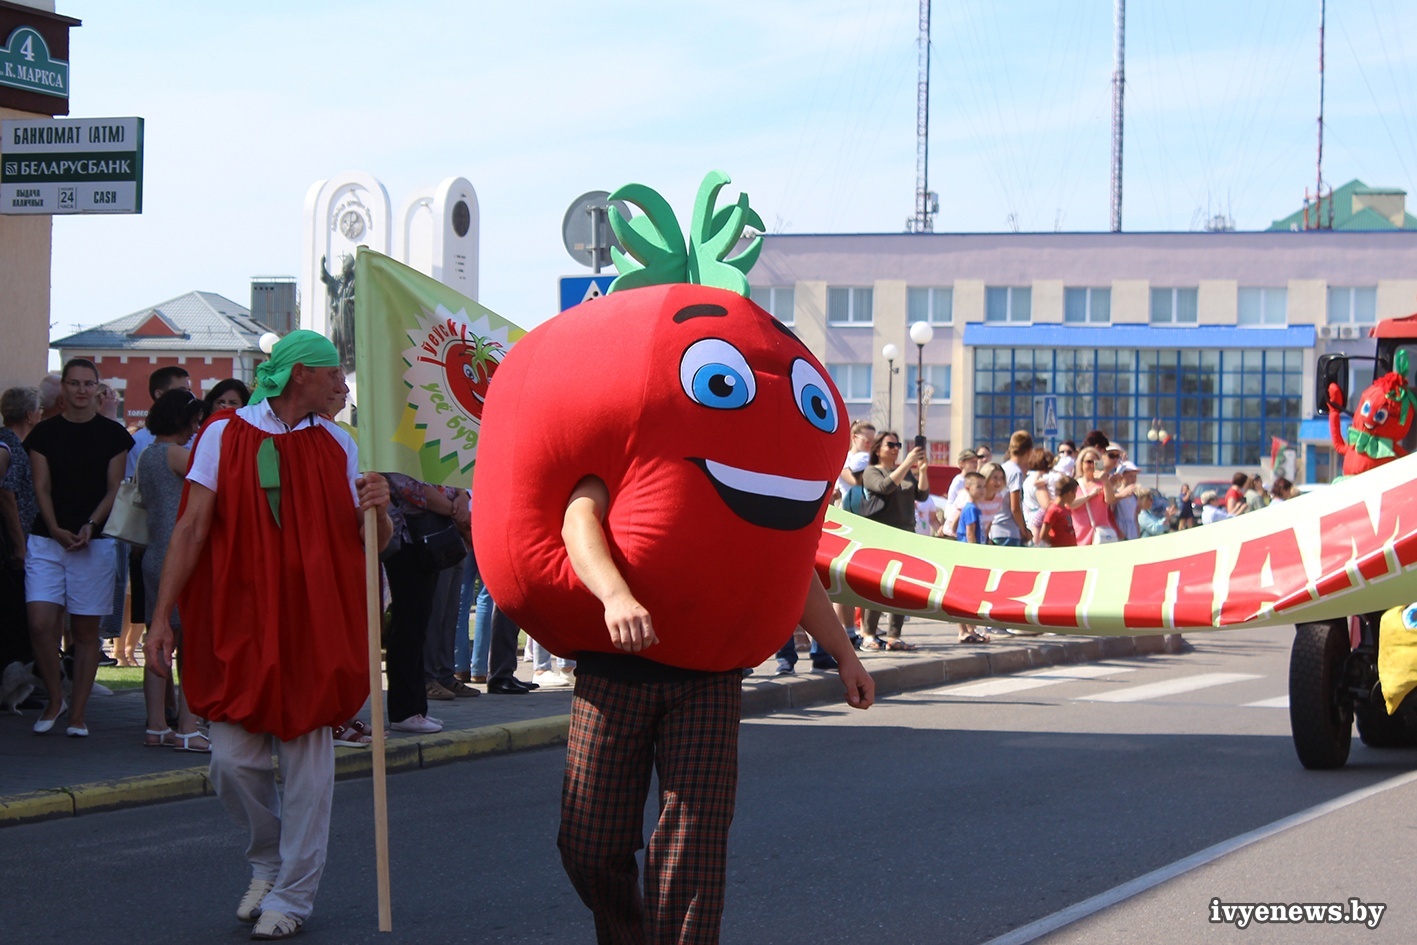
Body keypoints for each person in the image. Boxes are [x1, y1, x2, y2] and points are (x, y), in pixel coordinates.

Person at [145, 330, 392, 940]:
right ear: (298, 375)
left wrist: (381, 510)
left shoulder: (340, 444)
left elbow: (370, 547)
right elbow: (191, 530)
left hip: (314, 622)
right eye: (334, 374)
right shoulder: (223, 434)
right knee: (231, 760)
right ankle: (268, 859)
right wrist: (160, 618)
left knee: (310, 767)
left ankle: (296, 893)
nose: (343, 385)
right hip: (237, 617)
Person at [557, 474, 872, 944]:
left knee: (694, 844)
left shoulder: (747, 466)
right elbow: (578, 518)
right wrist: (615, 595)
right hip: (613, 670)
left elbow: (791, 565)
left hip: (710, 675)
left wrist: (845, 654)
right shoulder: (630, 444)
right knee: (589, 843)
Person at [25, 358, 134, 737]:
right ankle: (56, 698)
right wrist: (54, 527)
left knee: (86, 632)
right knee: (40, 623)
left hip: (95, 542)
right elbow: (41, 486)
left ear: (99, 389)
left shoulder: (114, 435)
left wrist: (90, 525)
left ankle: (78, 713)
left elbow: (114, 488)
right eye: (74, 383)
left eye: (89, 384)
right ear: (64, 390)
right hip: (47, 539)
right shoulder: (43, 434)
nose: (82, 391)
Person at [137, 389, 208, 751]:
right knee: (191, 644)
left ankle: (156, 725)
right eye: (194, 421)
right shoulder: (176, 454)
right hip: (180, 557)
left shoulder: (148, 455)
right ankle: (188, 727)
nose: (197, 428)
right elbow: (215, 481)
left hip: (153, 555)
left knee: (158, 640)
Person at [860, 431, 928, 651]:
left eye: (898, 444)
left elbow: (922, 495)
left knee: (901, 587)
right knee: (877, 585)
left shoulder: (905, 472)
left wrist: (924, 471)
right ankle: (868, 633)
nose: (896, 448)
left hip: (905, 533)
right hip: (882, 535)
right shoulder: (871, 471)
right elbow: (885, 487)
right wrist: (907, 463)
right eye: (890, 444)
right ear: (878, 448)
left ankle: (894, 635)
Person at [0, 386, 41, 681]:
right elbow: (6, 494)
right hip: (10, 547)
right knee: (13, 617)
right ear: (30, 414)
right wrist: (19, 545)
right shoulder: (9, 447)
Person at [953, 471, 991, 644]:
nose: (982, 490)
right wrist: (975, 554)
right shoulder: (970, 508)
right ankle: (963, 630)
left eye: (984, 486)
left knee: (972, 595)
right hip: (968, 556)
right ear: (968, 488)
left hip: (975, 553)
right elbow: (970, 533)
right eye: (978, 487)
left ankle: (971, 629)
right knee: (964, 593)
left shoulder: (976, 508)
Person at [1064, 446, 1116, 545]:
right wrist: (1089, 496)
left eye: (1096, 462)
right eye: (1088, 462)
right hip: (1081, 534)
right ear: (1081, 464)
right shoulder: (1075, 484)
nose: (1092, 465)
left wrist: (1105, 481)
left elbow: (1110, 501)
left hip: (1101, 534)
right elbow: (1070, 505)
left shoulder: (1103, 483)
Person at [991, 429, 1031, 545]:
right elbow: (1015, 507)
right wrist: (1023, 529)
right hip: (1008, 530)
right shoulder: (1015, 472)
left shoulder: (1003, 468)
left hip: (996, 527)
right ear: (1028, 451)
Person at [1037, 476, 1079, 548]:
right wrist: (1056, 544)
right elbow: (1043, 534)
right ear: (1069, 493)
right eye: (1074, 493)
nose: (1075, 496)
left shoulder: (1066, 509)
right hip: (1060, 552)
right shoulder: (1054, 510)